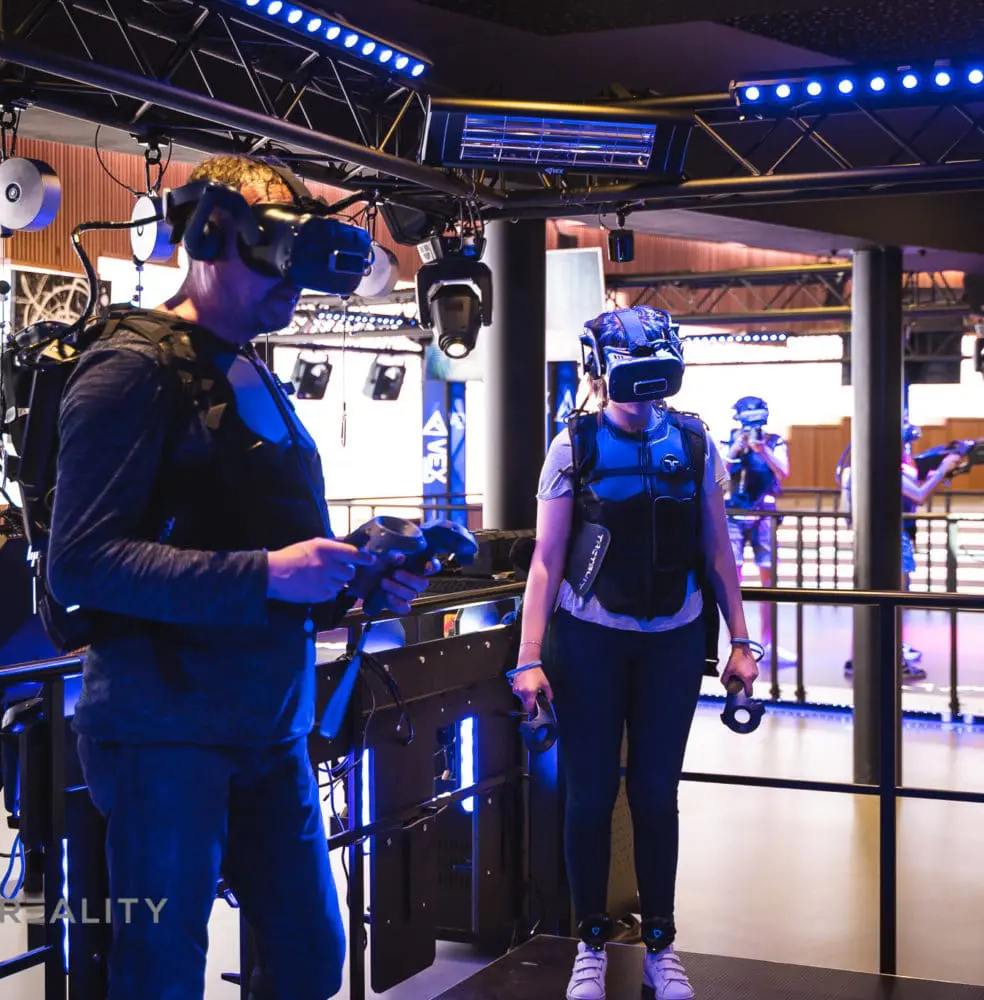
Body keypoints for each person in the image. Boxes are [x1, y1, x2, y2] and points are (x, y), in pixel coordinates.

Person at [46, 155, 436, 1000]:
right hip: (162, 731)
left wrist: (353, 577)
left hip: (270, 725)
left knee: (309, 959)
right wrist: (267, 575)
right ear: (208, 239)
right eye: (275, 261)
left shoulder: (250, 365)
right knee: (160, 976)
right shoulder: (130, 369)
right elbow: (79, 560)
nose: (291, 287)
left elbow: (264, 546)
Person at [510, 306, 758, 1000]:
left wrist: (741, 641)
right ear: (598, 372)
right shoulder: (574, 445)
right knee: (589, 795)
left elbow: (718, 552)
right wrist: (529, 656)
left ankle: (660, 945)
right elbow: (545, 560)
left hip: (672, 642)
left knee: (655, 795)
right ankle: (589, 943)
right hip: (588, 640)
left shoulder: (695, 442)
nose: (646, 390)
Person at [843, 419, 960, 681]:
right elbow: (918, 495)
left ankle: (860, 659)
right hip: (892, 536)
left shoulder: (863, 465)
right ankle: (895, 662)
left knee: (868, 602)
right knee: (895, 602)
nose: (908, 449)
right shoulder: (885, 466)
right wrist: (942, 470)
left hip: (870, 537)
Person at [723, 396, 793, 666]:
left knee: (768, 581)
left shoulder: (775, 442)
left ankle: (769, 642)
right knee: (733, 582)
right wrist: (735, 450)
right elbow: (719, 475)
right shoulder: (728, 440)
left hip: (765, 515)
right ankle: (737, 644)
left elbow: (783, 472)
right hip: (733, 515)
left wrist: (762, 450)